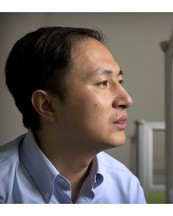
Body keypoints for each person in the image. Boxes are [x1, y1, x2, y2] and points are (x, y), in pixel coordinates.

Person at [0, 26, 146, 204]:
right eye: (103, 83)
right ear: (47, 105)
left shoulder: (125, 187)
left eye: (120, 81)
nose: (127, 100)